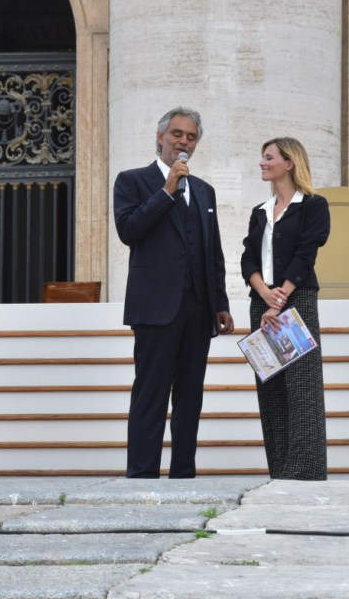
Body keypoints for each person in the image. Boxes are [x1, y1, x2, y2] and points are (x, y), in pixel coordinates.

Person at [113, 107, 235, 478]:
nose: (183, 142)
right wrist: (166, 191)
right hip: (154, 309)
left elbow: (212, 251)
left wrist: (221, 303)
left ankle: (183, 473)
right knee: (150, 394)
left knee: (190, 396)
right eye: (177, 134)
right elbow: (129, 231)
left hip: (197, 310)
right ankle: (142, 475)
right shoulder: (132, 181)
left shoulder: (203, 190)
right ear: (160, 136)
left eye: (191, 137)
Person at [240, 137, 331, 480]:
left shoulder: (313, 205)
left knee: (302, 388)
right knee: (272, 392)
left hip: (296, 303)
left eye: (268, 157)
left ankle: (304, 471)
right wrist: (263, 291)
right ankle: (279, 471)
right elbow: (248, 258)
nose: (262, 163)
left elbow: (308, 251)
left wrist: (281, 297)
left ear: (289, 162)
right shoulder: (259, 213)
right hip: (262, 305)